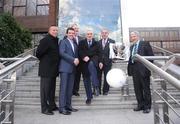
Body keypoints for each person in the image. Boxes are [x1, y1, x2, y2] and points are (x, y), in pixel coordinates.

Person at [127, 31, 154, 113]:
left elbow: (151, 57)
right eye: (131, 36)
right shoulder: (132, 47)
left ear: (138, 36)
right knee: (137, 89)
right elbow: (131, 58)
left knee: (146, 89)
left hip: (143, 70)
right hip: (134, 70)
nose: (132, 38)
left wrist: (147, 68)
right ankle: (140, 105)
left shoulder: (145, 43)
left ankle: (147, 106)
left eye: (134, 36)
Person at [36, 25, 60, 115]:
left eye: (56, 30)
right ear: (49, 31)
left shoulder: (55, 40)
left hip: (53, 70)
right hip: (46, 70)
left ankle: (52, 105)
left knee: (51, 90)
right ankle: (44, 108)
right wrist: (46, 61)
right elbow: (38, 53)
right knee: (45, 90)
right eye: (53, 30)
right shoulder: (45, 40)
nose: (55, 31)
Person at [58, 27, 79, 115]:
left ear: (74, 34)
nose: (71, 34)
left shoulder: (74, 44)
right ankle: (62, 108)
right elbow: (62, 53)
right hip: (65, 68)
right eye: (69, 33)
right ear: (66, 34)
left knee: (70, 89)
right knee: (63, 88)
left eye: (72, 33)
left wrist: (77, 59)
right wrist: (73, 59)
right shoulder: (63, 42)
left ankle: (68, 106)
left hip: (72, 69)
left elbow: (75, 55)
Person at [78, 28, 102, 105]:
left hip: (94, 61)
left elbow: (100, 53)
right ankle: (89, 97)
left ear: (92, 35)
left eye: (90, 34)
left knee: (91, 64)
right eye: (88, 34)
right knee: (86, 81)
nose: (89, 35)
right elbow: (79, 51)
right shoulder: (81, 42)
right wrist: (83, 56)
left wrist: (101, 61)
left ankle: (95, 85)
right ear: (86, 35)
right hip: (84, 64)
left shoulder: (97, 43)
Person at [98, 29, 115, 95]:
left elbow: (114, 52)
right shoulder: (98, 42)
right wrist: (100, 61)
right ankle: (98, 90)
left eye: (105, 33)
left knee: (107, 77)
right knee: (98, 77)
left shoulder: (112, 41)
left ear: (108, 34)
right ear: (101, 34)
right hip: (99, 63)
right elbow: (98, 53)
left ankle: (105, 90)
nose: (104, 34)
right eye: (103, 33)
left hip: (108, 62)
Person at [71, 24, 84, 96]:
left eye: (77, 28)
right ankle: (70, 90)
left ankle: (75, 90)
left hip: (80, 62)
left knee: (78, 77)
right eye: (74, 28)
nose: (76, 29)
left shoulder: (82, 38)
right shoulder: (67, 38)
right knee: (71, 76)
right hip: (71, 61)